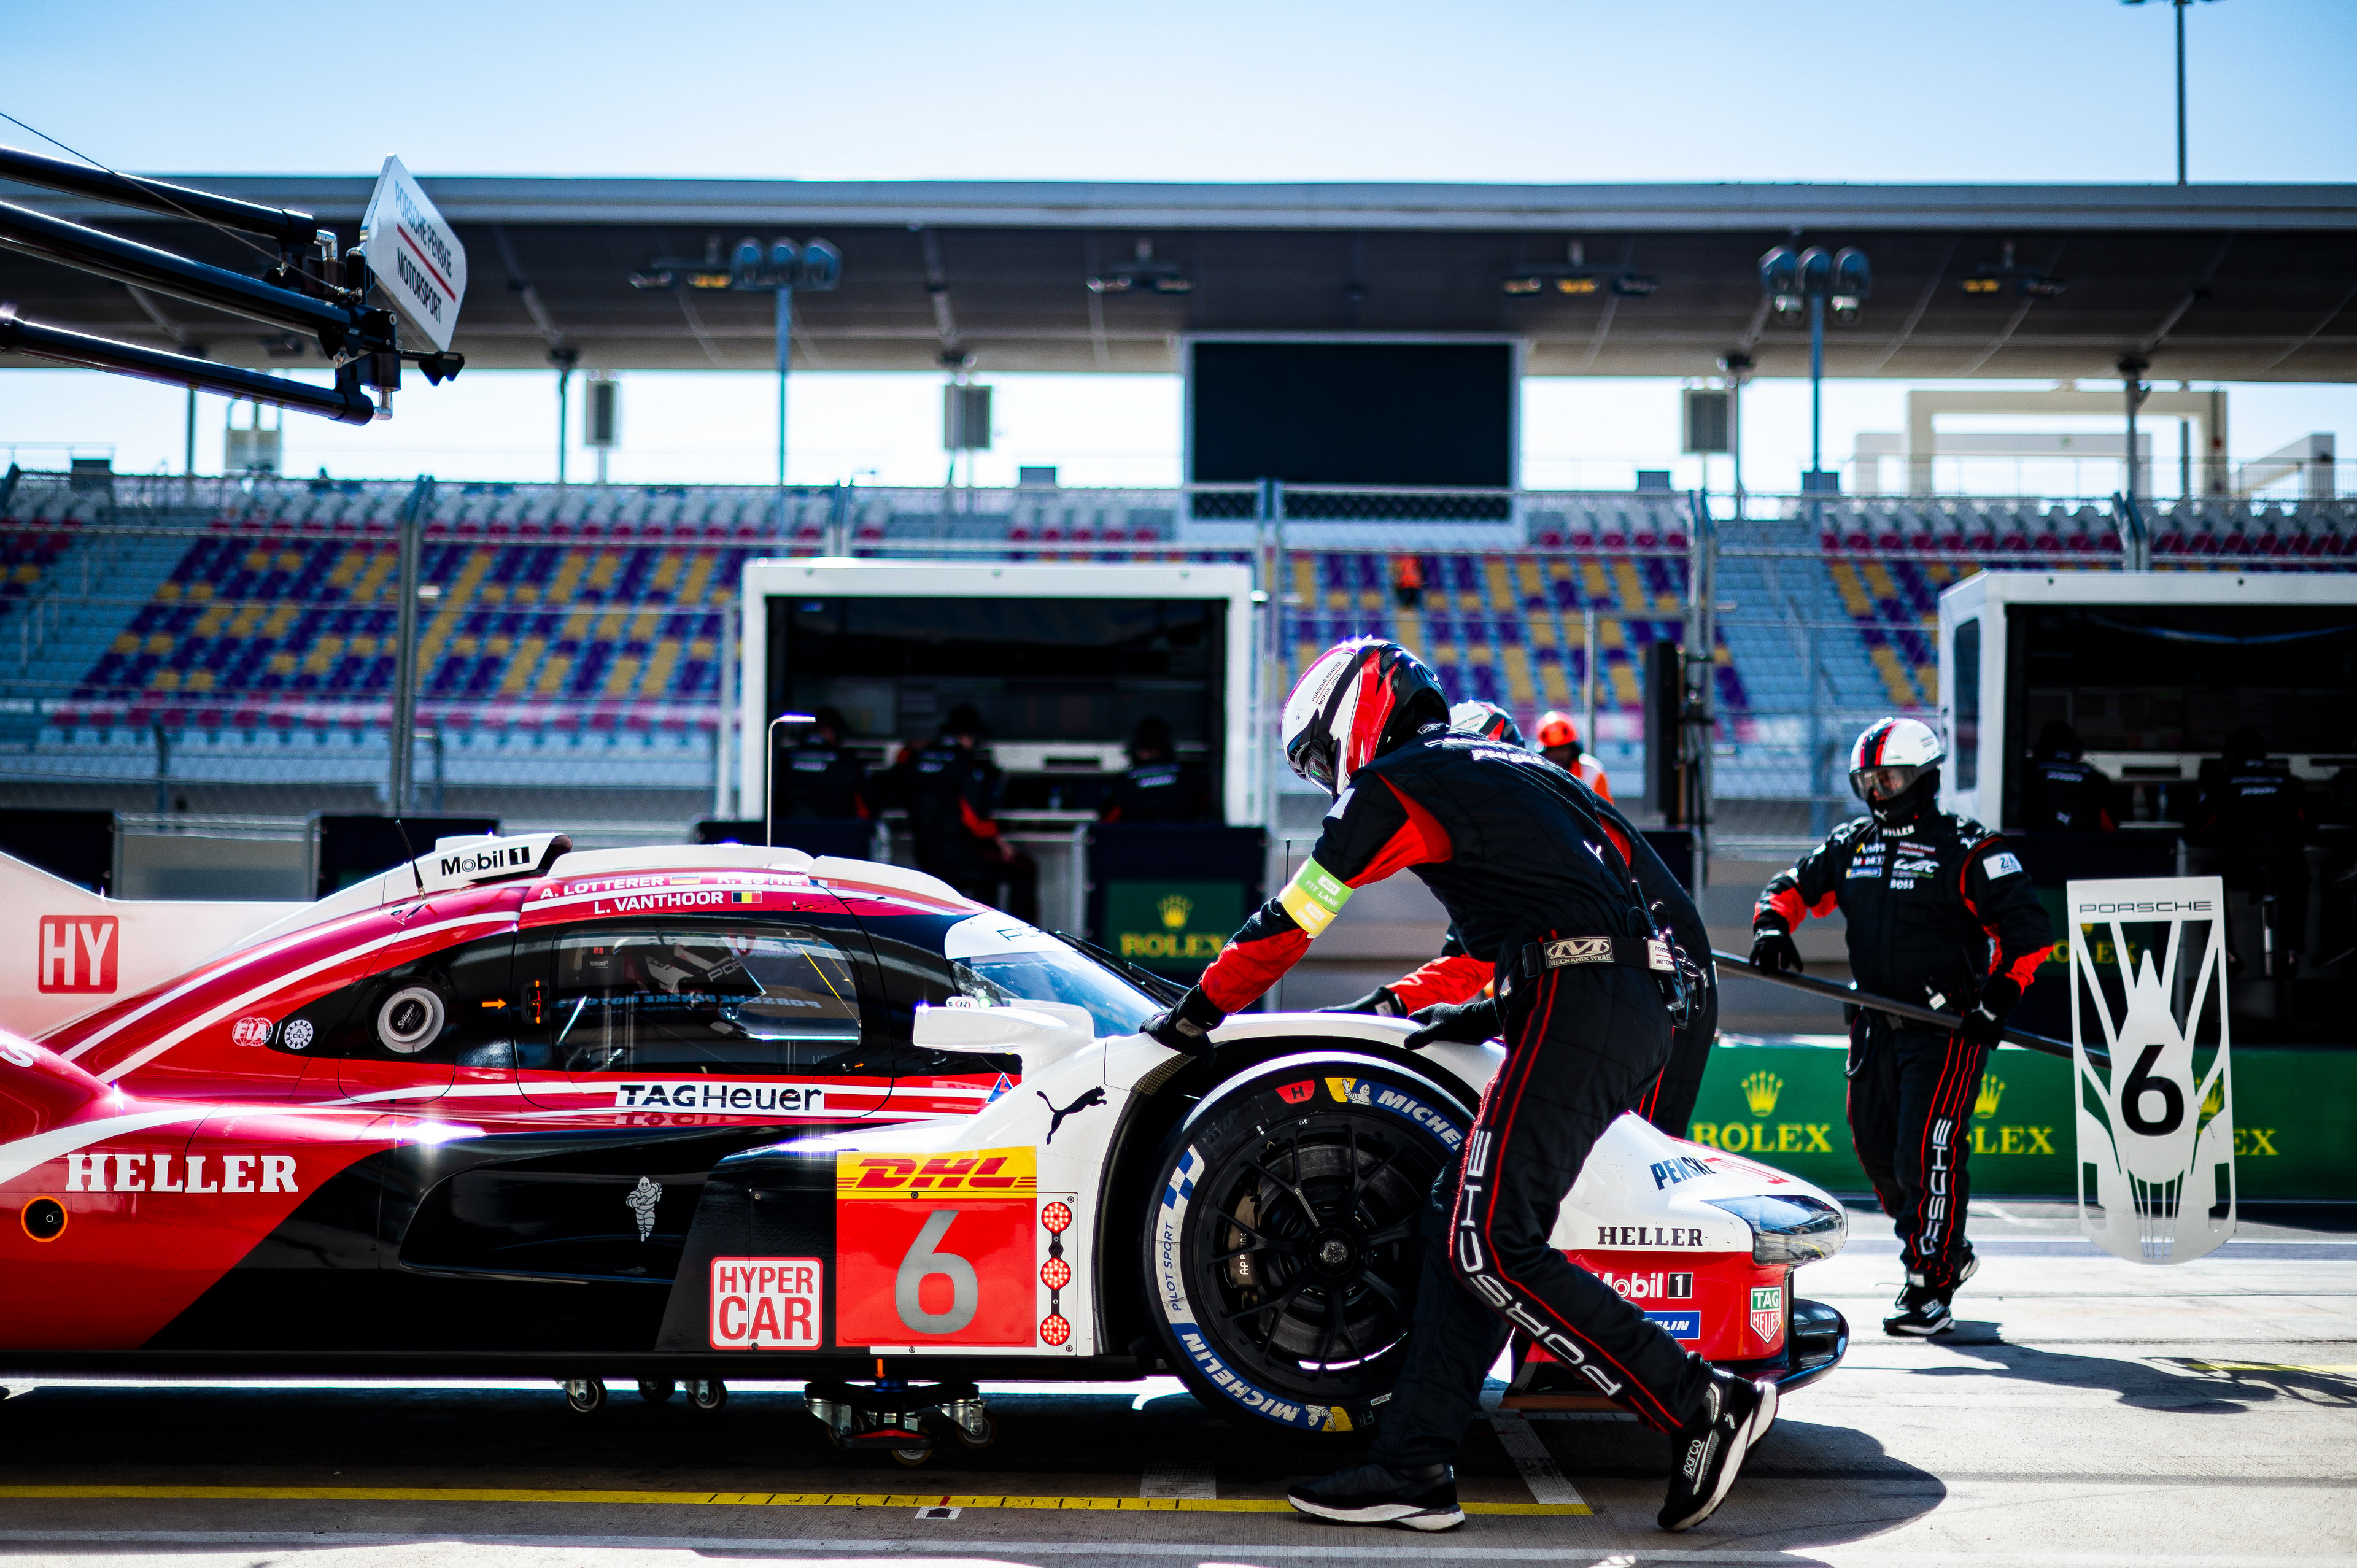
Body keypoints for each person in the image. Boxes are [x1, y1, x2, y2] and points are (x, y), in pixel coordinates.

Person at [1143, 639, 1774, 1535]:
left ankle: (1698, 1399)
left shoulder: (1396, 781)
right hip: (1613, 1000)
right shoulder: (1514, 768)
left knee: (1492, 1239)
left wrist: (1198, 1008)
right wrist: (1492, 1004)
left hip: (1579, 1001)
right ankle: (1414, 1465)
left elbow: (1296, 914)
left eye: (1325, 757)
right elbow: (1600, 900)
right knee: (1460, 1222)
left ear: (1359, 711)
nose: (1332, 779)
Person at [1749, 717, 2051, 1337]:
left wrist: (1997, 998)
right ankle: (1940, 1244)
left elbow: (2029, 933)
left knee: (1926, 1151)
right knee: (1874, 1144)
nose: (1877, 791)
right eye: (1867, 779)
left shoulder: (1969, 848)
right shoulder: (1851, 841)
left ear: (1924, 776)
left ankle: (1929, 1281)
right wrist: (1773, 925)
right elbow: (1789, 887)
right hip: (1872, 1025)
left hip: (1947, 1028)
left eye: (1888, 777)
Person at [1326, 699, 1719, 1138]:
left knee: (1632, 1156)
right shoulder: (1507, 836)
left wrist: (1387, 1006)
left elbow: (1466, 968)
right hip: (1613, 988)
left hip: (1659, 985)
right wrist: (1390, 1005)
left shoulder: (1538, 822)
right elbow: (1462, 963)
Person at [2189, 727, 2308, 978]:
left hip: (2240, 870)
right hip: (2285, 871)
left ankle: (2225, 953)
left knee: (2207, 879)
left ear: (2230, 756)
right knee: (2298, 872)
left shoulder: (2224, 784)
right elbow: (2310, 828)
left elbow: (2196, 828)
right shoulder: (2292, 784)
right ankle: (2290, 952)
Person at [904, 704, 1037, 921]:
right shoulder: (965, 764)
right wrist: (999, 840)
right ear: (968, 736)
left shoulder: (915, 759)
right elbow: (974, 821)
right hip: (958, 854)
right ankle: (1021, 936)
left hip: (925, 856)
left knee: (985, 874)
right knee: (1024, 869)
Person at [1099, 715, 1213, 823]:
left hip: (1136, 841)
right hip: (1181, 840)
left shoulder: (1124, 783)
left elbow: (1107, 822)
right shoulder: (1189, 777)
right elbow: (1206, 811)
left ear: (1139, 750)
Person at [776, 705, 870, 821]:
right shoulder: (846, 762)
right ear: (831, 732)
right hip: (835, 833)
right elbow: (868, 806)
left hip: (785, 832)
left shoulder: (784, 760)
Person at [2021, 720, 2114, 833]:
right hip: (2084, 848)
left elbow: (2014, 821)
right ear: (2075, 746)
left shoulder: (2027, 774)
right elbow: (2111, 828)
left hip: (2036, 847)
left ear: (2041, 746)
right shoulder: (2096, 779)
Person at [1535, 709, 1611, 798]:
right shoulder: (1536, 774)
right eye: (1552, 750)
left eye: (1562, 748)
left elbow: (1603, 811)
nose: (1558, 754)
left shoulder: (1593, 772)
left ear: (1572, 748)